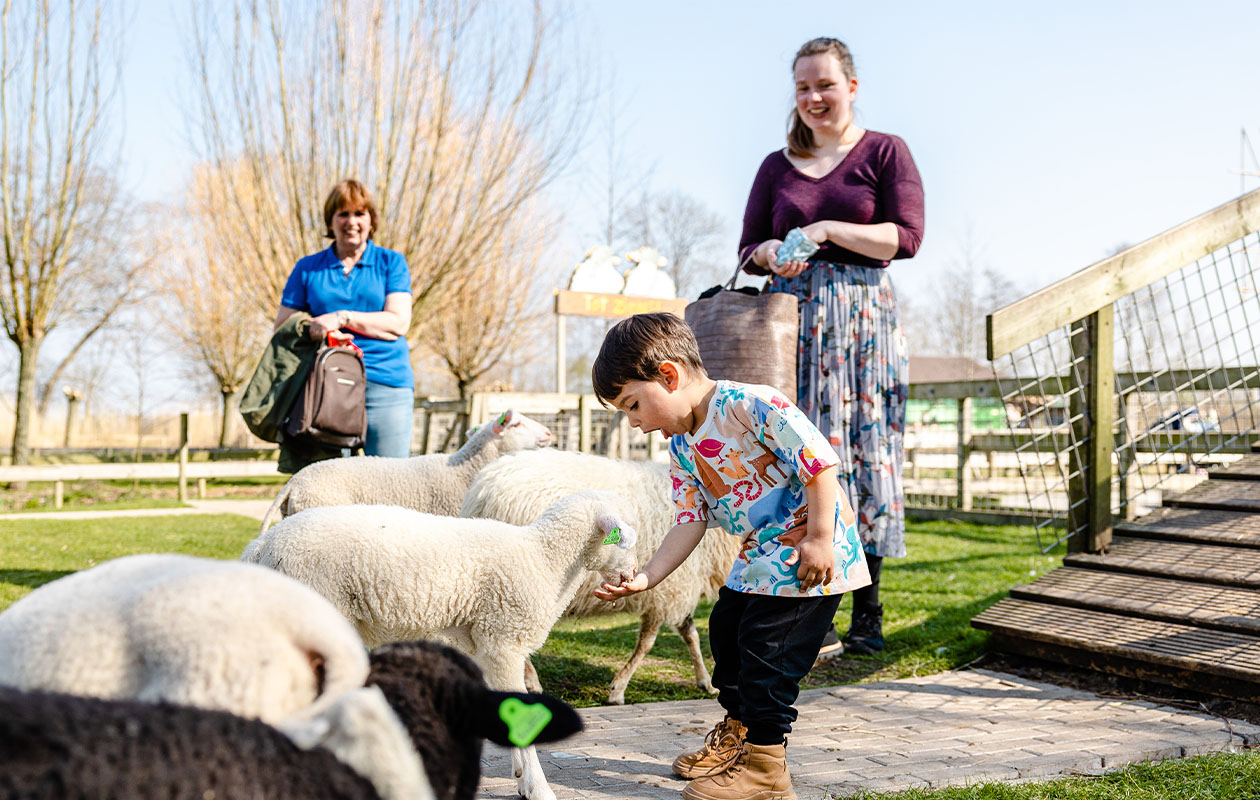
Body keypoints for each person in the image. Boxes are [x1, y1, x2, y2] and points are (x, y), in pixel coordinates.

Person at [592, 312, 870, 800]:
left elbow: (819, 464)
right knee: (726, 635)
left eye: (632, 406)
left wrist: (821, 537)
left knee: (768, 655)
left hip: (808, 557)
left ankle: (767, 768)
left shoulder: (752, 404)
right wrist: (649, 577)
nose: (634, 424)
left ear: (669, 376)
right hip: (757, 558)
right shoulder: (682, 445)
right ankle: (739, 740)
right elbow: (689, 519)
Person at [738, 37, 925, 659]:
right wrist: (770, 254)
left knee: (867, 451)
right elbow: (748, 249)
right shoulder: (776, 164)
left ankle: (867, 612)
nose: (814, 98)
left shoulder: (885, 151)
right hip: (793, 325)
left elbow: (907, 237)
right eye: (803, 88)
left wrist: (825, 230)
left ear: (851, 85)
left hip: (864, 321)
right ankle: (804, 602)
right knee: (805, 454)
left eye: (825, 84)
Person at [273, 179, 415, 458]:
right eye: (343, 214)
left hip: (387, 382)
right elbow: (283, 327)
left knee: (390, 481)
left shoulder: (391, 263)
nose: (352, 222)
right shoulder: (308, 269)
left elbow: (398, 323)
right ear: (331, 221)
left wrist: (341, 318)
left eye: (359, 213)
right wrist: (318, 330)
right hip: (329, 383)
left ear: (371, 220)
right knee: (333, 484)